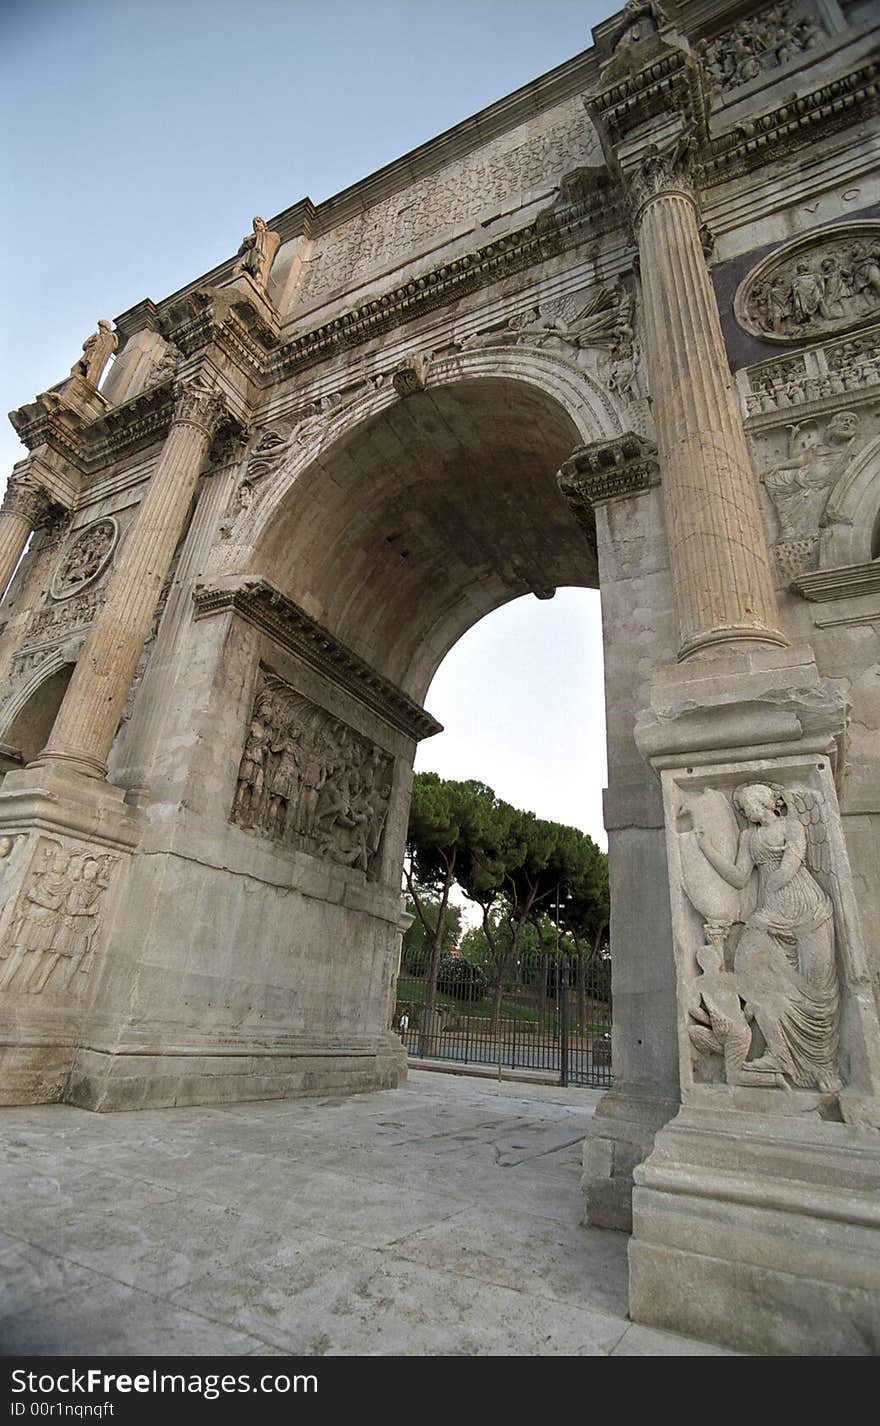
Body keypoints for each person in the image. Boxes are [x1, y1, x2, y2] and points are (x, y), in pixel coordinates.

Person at [695, 783, 840, 1092]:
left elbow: (790, 866)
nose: (745, 812)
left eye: (747, 807)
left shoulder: (793, 826)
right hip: (770, 912)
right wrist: (706, 849)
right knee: (748, 971)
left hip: (807, 909)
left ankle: (823, 1066)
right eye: (743, 809)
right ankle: (779, 1054)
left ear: (762, 803)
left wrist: (773, 895)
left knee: (818, 990)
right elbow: (738, 877)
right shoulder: (749, 837)